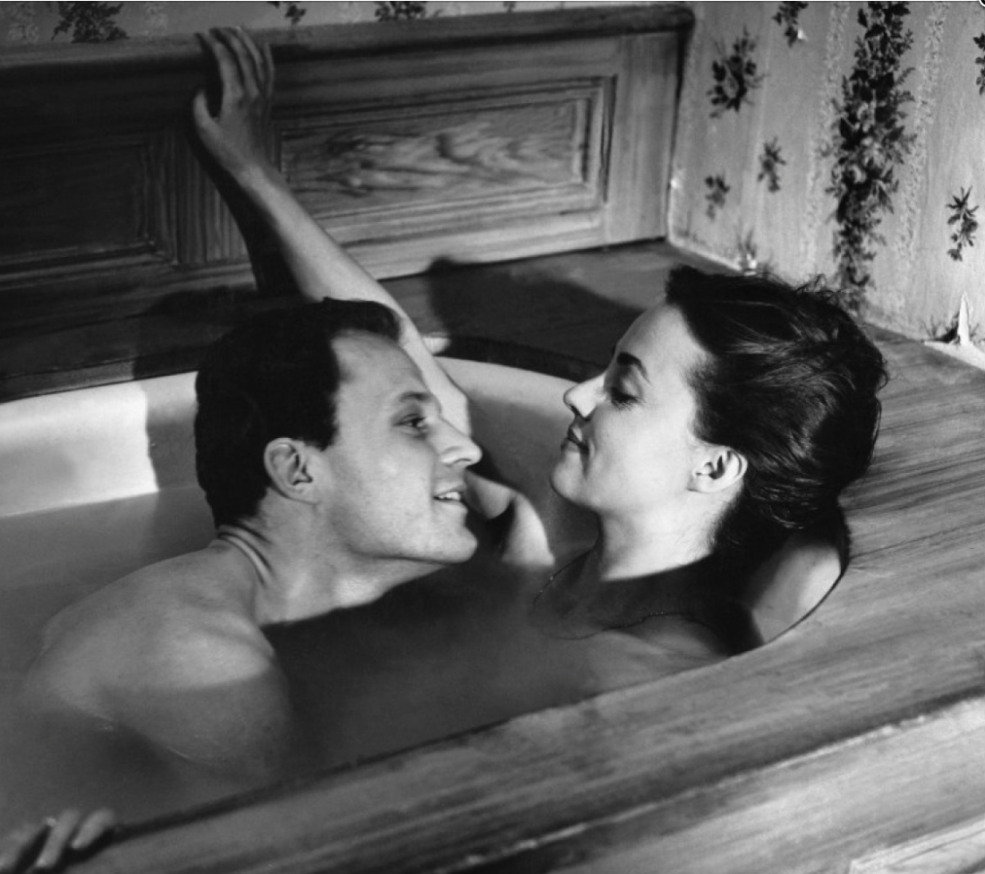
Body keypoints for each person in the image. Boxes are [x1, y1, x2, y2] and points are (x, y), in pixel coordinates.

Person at [193, 28, 887, 656]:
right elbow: (397, 354)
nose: (575, 395)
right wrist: (253, 170)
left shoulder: (660, 664)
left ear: (714, 467)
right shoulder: (547, 540)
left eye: (622, 391)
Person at [24, 298, 482, 782]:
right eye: (413, 423)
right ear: (297, 471)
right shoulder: (201, 659)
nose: (468, 448)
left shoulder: (275, 617)